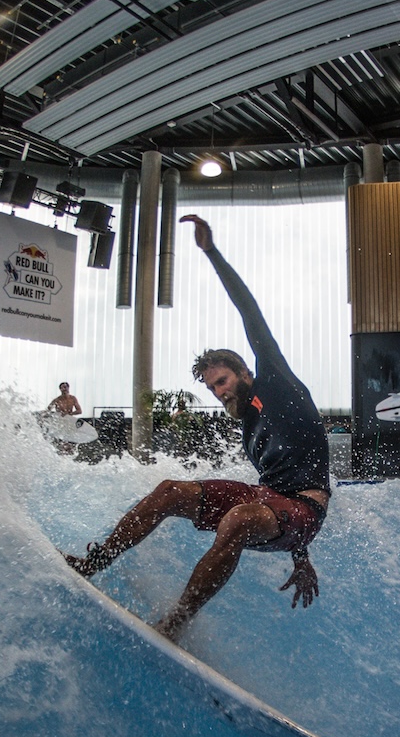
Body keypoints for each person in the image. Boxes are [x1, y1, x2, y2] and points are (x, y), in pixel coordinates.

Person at [65, 214, 330, 639]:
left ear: (245, 372)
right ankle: (93, 564)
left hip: (304, 509)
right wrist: (301, 559)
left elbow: (250, 312)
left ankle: (175, 623)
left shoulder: (278, 384)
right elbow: (276, 491)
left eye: (222, 382)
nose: (219, 392)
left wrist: (211, 252)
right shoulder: (250, 427)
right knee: (169, 490)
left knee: (239, 518)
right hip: (271, 505)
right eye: (211, 388)